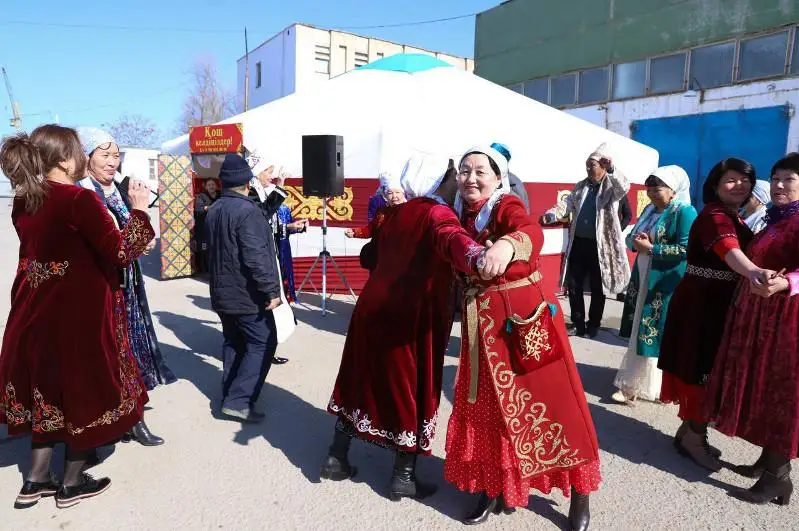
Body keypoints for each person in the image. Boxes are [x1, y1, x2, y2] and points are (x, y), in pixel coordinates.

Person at [320, 156, 515, 502]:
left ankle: (336, 458)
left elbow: (370, 257)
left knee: (359, 378)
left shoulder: (395, 213)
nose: (458, 181)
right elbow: (453, 240)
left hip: (370, 310)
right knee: (411, 386)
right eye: (453, 176)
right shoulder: (436, 213)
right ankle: (402, 477)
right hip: (410, 316)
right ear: (437, 180)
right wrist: (478, 258)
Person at [444, 145, 600, 531]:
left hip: (524, 323)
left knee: (555, 405)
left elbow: (529, 229)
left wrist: (508, 244)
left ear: (499, 176)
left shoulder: (506, 204)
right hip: (482, 327)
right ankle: (494, 486)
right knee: (490, 409)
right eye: (465, 171)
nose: (471, 178)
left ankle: (580, 492)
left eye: (481, 170)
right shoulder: (460, 212)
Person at [0, 125, 154, 508]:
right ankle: (71, 483)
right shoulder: (77, 200)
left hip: (34, 312)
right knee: (87, 394)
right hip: (78, 315)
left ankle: (35, 480)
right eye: (81, 152)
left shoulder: (25, 200)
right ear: (67, 159)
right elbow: (121, 251)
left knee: (49, 392)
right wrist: (140, 210)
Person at [657, 158, 767, 472]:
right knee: (702, 367)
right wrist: (754, 272)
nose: (740, 185)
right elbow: (729, 249)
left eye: (745, 180)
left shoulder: (736, 215)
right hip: (704, 305)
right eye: (731, 180)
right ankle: (694, 435)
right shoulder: (715, 215)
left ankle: (688, 432)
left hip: (713, 301)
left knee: (705, 365)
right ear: (716, 186)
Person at [706, 153, 799, 505]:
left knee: (782, 393)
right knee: (764, 388)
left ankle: (778, 476)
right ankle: (768, 461)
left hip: (789, 320)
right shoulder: (773, 219)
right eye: (775, 178)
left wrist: (787, 282)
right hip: (763, 317)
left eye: (788, 179)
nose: (778, 185)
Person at [76, 127, 176, 447]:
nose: (112, 161)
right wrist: (136, 222)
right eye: (104, 155)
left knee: (130, 352)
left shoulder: (117, 191)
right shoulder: (84, 196)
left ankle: (133, 418)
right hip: (101, 290)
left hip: (128, 286)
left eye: (115, 155)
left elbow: (131, 235)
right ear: (85, 157)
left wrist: (141, 241)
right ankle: (98, 428)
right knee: (106, 358)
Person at [205, 154, 282, 423]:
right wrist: (271, 290)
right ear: (247, 183)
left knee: (234, 341)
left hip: (222, 291)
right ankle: (239, 400)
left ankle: (231, 394)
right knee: (262, 340)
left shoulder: (214, 209)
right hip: (245, 293)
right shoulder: (246, 212)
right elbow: (255, 256)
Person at [613, 166, 697, 404]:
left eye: (657, 187)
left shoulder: (685, 212)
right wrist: (636, 242)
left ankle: (648, 386)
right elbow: (631, 237)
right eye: (649, 187)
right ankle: (635, 381)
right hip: (643, 276)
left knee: (656, 329)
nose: (651, 192)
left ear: (674, 190)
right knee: (641, 326)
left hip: (665, 280)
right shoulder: (650, 209)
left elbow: (685, 249)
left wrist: (652, 249)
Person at [542, 143, 632, 338]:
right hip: (580, 243)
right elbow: (567, 204)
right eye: (587, 164)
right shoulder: (581, 186)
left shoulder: (611, 186)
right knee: (573, 285)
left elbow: (624, 186)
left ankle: (594, 324)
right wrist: (551, 215)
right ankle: (577, 324)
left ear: (603, 166)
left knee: (599, 288)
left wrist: (613, 169)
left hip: (600, 247)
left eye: (592, 165)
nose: (588, 168)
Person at [248, 162, 295, 365]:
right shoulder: (250, 192)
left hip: (268, 252)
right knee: (265, 303)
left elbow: (272, 223)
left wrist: (292, 227)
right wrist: (281, 187)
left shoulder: (259, 191)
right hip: (259, 256)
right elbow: (263, 214)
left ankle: (267, 348)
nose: (271, 175)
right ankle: (260, 351)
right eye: (267, 171)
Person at [194, 178, 220, 273]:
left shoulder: (220, 195)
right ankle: (205, 269)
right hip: (205, 228)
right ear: (205, 187)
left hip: (217, 227)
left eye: (213, 184)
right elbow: (198, 209)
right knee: (204, 248)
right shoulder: (202, 196)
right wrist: (210, 208)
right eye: (209, 185)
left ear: (216, 186)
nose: (211, 186)